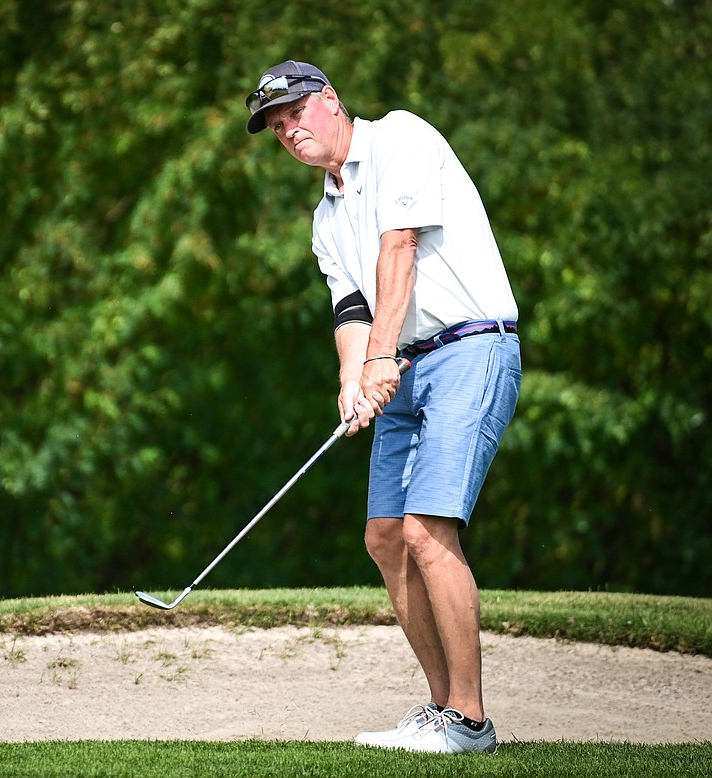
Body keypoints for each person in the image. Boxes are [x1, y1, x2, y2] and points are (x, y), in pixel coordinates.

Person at [245, 60, 521, 755]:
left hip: (469, 347)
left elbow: (400, 250)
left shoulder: (400, 137)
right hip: (401, 363)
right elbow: (351, 310)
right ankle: (440, 707)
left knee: (428, 530)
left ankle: (470, 721)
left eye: (296, 114)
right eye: (277, 127)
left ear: (331, 102)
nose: (289, 131)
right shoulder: (325, 217)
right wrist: (351, 378)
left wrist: (379, 360)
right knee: (385, 536)